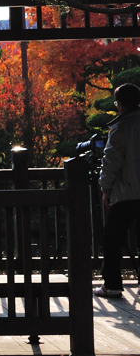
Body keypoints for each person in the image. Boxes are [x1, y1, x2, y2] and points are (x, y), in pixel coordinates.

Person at [96, 82, 140, 298]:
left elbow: (111, 161)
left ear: (121, 105)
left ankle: (112, 284)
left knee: (112, 239)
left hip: (127, 193)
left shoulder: (120, 127)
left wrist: (106, 189)